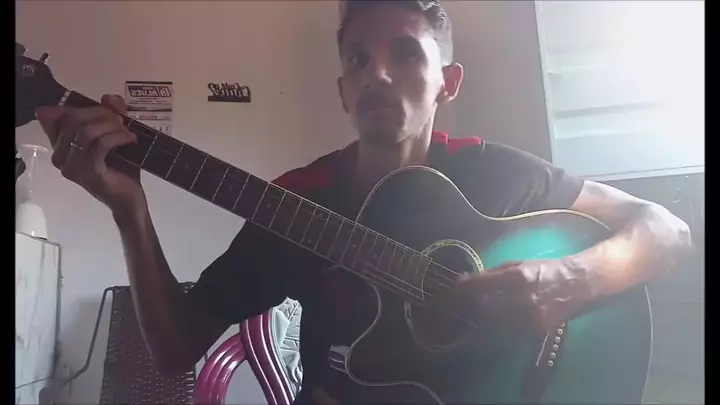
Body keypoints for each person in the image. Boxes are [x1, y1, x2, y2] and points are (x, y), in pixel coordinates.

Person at [35, 0, 692, 403]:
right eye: (357, 60)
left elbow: (666, 231)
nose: (377, 73)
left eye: (404, 55)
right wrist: (129, 209)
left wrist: (572, 278)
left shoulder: (492, 172)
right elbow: (176, 349)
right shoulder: (297, 201)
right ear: (343, 92)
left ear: (447, 82)